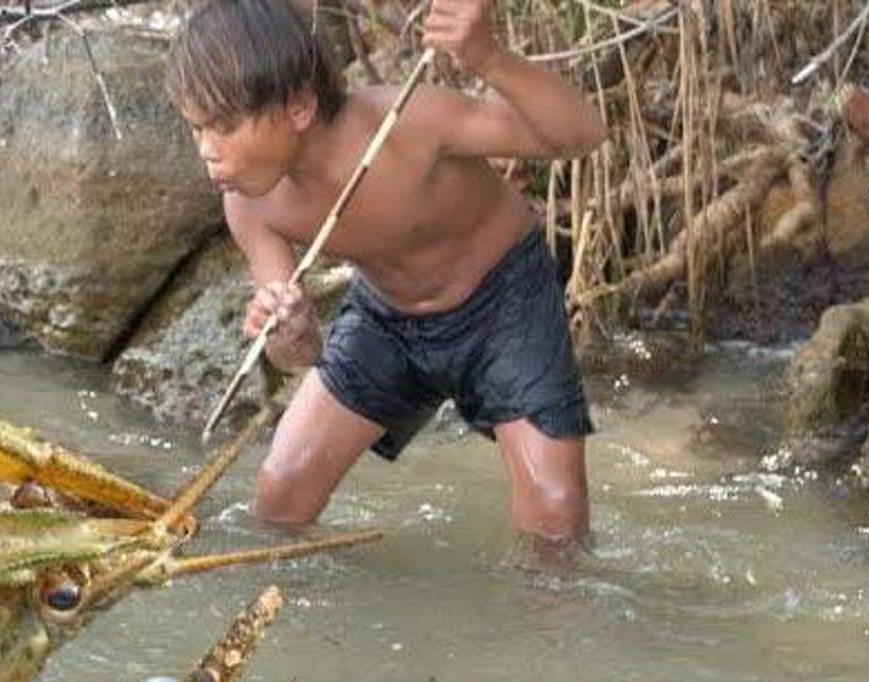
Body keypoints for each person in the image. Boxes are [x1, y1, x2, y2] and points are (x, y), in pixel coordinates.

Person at [166, 0, 605, 551]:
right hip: (387, 318)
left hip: (503, 303)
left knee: (556, 518)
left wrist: (486, 56)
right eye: (195, 128)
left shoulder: (407, 123)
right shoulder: (249, 204)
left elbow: (583, 134)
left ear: (298, 105)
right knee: (279, 496)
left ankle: (555, 626)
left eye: (224, 127)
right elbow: (295, 357)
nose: (206, 151)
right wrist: (291, 332)